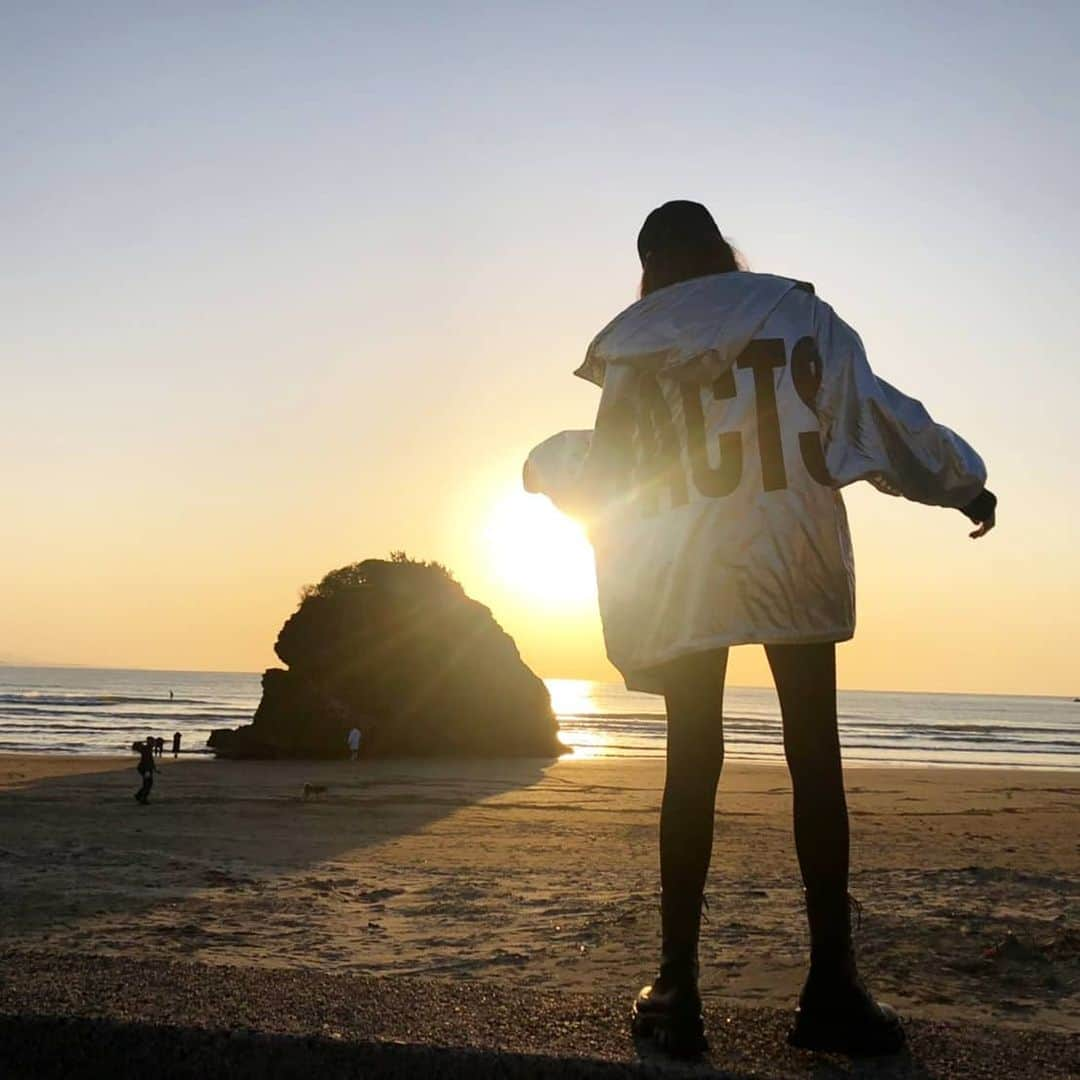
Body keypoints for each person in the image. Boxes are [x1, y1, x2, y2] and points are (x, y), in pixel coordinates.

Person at [524, 201, 995, 1058]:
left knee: (691, 762)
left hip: (685, 566)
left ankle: (678, 988)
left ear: (651, 265)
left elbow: (613, 477)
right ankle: (832, 987)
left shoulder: (637, 345)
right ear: (722, 249)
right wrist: (962, 482)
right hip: (795, 549)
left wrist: (544, 466)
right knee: (815, 758)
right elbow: (875, 417)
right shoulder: (798, 316)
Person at [134, 738, 156, 805]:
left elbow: (151, 760)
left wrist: (154, 768)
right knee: (148, 784)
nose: (154, 744)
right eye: (153, 742)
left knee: (147, 783)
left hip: (145, 768)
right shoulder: (147, 749)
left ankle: (139, 795)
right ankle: (142, 798)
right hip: (145, 768)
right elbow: (147, 761)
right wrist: (147, 771)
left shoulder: (147, 748)